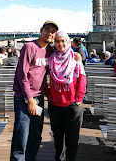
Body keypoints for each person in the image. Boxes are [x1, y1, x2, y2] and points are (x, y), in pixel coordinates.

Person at [10, 20, 59, 161]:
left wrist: (75, 57)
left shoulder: (50, 50)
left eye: (53, 31)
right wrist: (30, 100)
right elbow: (22, 75)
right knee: (21, 134)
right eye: (47, 29)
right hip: (24, 97)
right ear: (41, 30)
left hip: (39, 97)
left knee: (36, 134)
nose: (50, 33)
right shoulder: (29, 47)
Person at [47, 31, 86, 161]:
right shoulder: (51, 59)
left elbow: (82, 79)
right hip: (55, 105)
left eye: (63, 41)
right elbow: (43, 78)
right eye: (57, 41)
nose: (60, 44)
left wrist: (79, 99)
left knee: (72, 140)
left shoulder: (75, 59)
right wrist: (48, 94)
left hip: (72, 105)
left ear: (68, 42)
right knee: (58, 139)